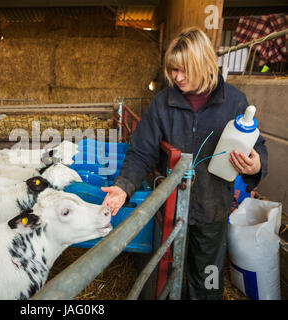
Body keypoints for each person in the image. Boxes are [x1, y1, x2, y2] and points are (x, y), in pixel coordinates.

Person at [101, 26, 268, 300]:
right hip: (169, 209)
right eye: (173, 70)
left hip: (212, 210)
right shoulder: (162, 104)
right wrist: (124, 186)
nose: (177, 77)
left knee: (209, 280)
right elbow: (141, 152)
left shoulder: (234, 102)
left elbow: (256, 146)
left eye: (184, 70)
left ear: (203, 63)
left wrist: (255, 165)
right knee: (167, 275)